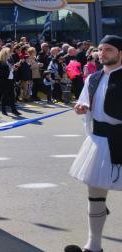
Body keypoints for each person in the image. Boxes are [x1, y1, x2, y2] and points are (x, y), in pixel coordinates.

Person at [66, 35, 122, 252]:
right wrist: (81, 108)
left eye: (108, 49)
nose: (102, 53)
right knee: (95, 195)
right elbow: (84, 103)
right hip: (99, 141)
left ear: (120, 53)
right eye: (100, 49)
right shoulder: (93, 78)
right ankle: (94, 245)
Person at [0, 47, 21, 116]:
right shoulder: (0, 61)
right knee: (5, 95)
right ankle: (3, 110)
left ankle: (14, 110)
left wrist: (14, 68)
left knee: (12, 95)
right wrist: (11, 69)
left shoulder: (10, 60)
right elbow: (2, 72)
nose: (10, 54)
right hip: (3, 80)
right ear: (5, 53)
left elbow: (10, 69)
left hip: (10, 79)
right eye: (9, 52)